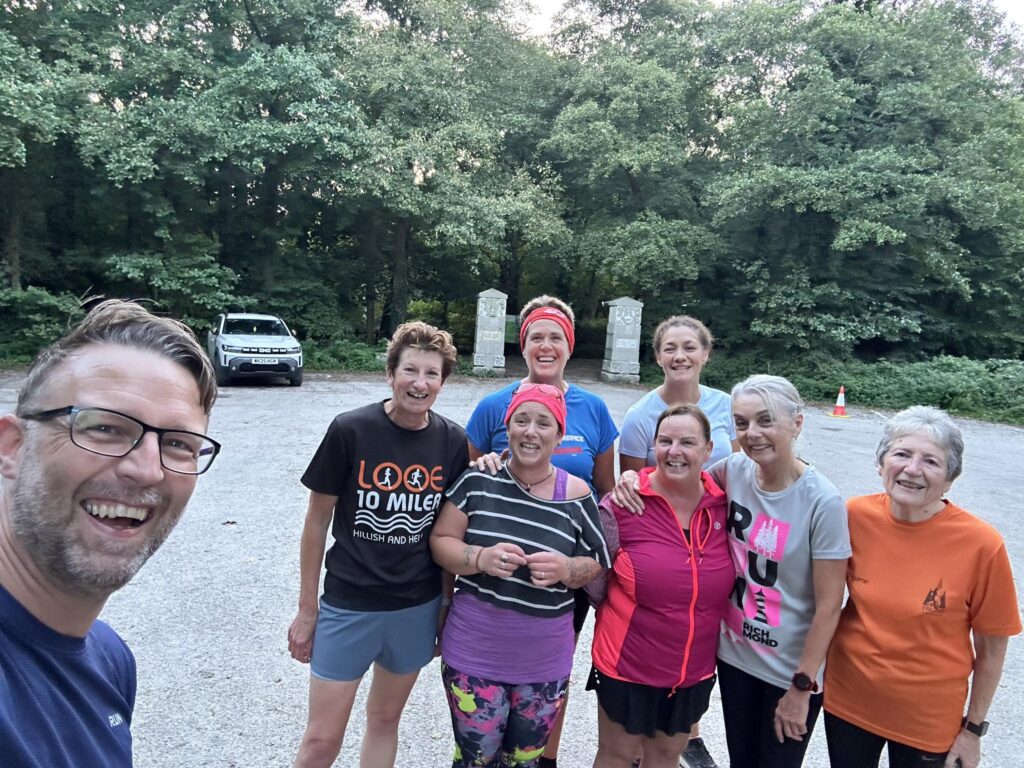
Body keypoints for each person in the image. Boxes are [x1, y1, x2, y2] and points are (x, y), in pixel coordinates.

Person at [0, 299, 220, 767]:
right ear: (13, 447)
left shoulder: (108, 658)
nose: (147, 471)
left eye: (178, 444)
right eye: (104, 427)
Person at [288, 322, 469, 768]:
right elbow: (316, 523)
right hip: (349, 603)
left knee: (385, 721)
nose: (420, 383)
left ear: (443, 383)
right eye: (410, 370)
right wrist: (307, 610)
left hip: (414, 606)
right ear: (391, 374)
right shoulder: (350, 430)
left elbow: (449, 532)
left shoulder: (452, 441)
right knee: (321, 740)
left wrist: (445, 605)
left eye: (431, 374)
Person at [466, 295, 618, 767]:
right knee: (485, 673)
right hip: (495, 571)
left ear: (569, 346)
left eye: (556, 337)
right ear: (523, 343)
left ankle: (541, 758)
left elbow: (609, 497)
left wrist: (592, 569)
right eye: (536, 337)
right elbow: (464, 483)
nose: (546, 346)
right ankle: (481, 749)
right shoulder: (494, 406)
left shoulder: (592, 409)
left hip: (561, 574)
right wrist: (484, 460)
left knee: (550, 673)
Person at [823, 406, 1021, 768]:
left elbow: (992, 652)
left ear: (950, 478)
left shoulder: (981, 544)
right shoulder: (852, 516)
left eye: (931, 461)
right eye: (901, 454)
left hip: (927, 720)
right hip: (848, 703)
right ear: (881, 463)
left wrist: (972, 731)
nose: (912, 470)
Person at [431, 383, 610, 768]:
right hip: (475, 651)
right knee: (475, 759)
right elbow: (440, 540)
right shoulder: (477, 480)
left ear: (559, 435)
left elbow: (596, 561)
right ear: (507, 428)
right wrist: (478, 557)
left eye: (543, 423)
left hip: (543, 659)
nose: (531, 431)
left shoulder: (576, 495)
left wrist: (567, 568)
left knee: (525, 762)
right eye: (521, 421)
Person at [616, 315, 737, 768]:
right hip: (662, 532)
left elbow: (747, 471)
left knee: (701, 621)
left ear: (706, 354)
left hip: (715, 527)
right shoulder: (640, 415)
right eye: (670, 348)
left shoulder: (727, 406)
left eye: (690, 347)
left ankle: (688, 732)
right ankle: (642, 735)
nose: (680, 356)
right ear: (658, 356)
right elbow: (630, 484)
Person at [588, 405, 733, 768]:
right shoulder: (622, 505)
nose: (675, 451)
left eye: (687, 442)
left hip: (692, 668)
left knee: (666, 756)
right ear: (653, 446)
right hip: (627, 662)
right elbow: (595, 583)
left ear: (708, 449)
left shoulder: (725, 506)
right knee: (618, 756)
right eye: (665, 441)